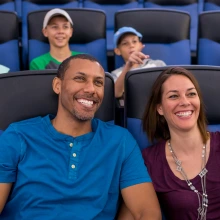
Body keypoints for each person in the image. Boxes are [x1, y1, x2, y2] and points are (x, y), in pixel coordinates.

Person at [0, 54, 161, 219]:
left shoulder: (120, 141)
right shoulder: (19, 135)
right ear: (57, 85)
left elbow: (147, 212)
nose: (91, 89)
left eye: (98, 82)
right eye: (80, 78)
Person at [141, 67, 220, 219]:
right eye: (173, 96)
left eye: (191, 94)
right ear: (160, 108)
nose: (184, 102)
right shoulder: (149, 161)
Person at [111, 27, 166, 98]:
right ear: (117, 51)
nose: (131, 45)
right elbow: (116, 93)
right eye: (125, 43)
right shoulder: (116, 74)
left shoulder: (158, 64)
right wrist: (128, 66)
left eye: (134, 41)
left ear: (140, 45)